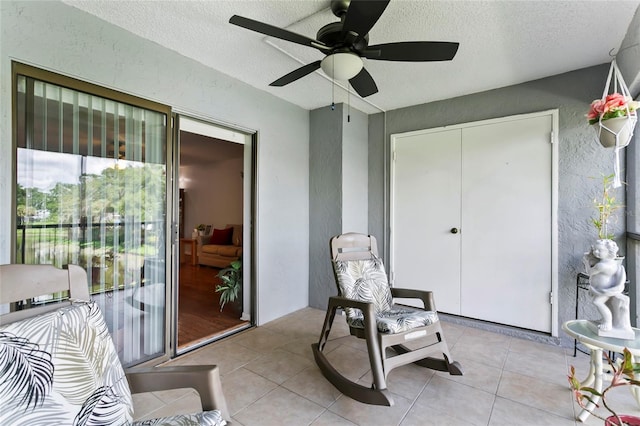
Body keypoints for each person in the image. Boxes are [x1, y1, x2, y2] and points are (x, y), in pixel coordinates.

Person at [583, 239, 626, 332]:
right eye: (595, 249)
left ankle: (608, 322)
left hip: (604, 290)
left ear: (609, 252)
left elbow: (590, 272)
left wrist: (586, 262)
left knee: (597, 302)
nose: (596, 252)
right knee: (603, 303)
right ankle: (606, 319)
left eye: (600, 250)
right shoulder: (614, 263)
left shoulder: (601, 266)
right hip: (604, 288)